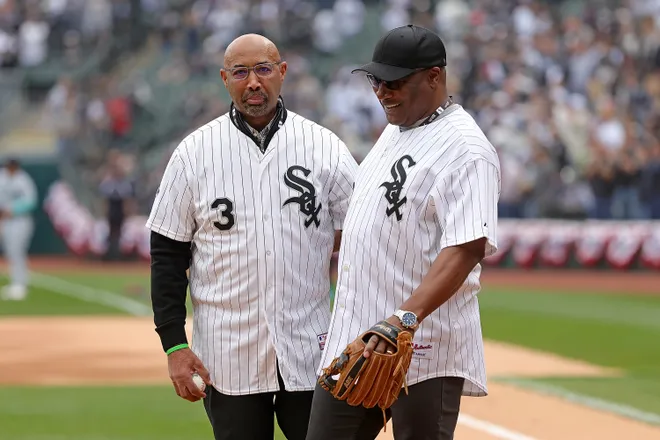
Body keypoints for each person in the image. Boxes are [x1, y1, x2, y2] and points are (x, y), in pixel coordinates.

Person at [145, 33, 357, 440]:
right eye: (240, 72)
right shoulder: (194, 153)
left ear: (282, 73)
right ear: (225, 79)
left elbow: (362, 240)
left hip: (312, 347)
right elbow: (167, 254)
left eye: (262, 69)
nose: (253, 82)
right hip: (227, 352)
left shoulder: (325, 146)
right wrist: (174, 345)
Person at [306, 24, 501, 440]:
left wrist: (404, 319)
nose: (382, 92)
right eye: (377, 80)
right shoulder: (395, 131)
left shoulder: (467, 150)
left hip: (421, 346)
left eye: (394, 81)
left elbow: (466, 248)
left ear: (434, 76)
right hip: (358, 341)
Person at [0, 158, 38, 301]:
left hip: (20, 220)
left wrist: (13, 209)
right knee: (10, 252)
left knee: (17, 251)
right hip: (4, 220)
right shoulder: (2, 176)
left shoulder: (23, 180)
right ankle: (15, 282)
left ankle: (20, 284)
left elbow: (31, 201)